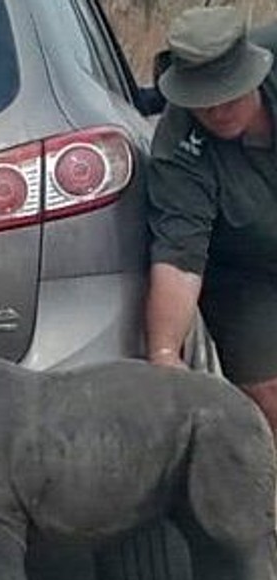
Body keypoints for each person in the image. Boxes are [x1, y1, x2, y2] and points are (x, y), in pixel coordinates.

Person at [146, 6, 277, 435]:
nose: (218, 112)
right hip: (244, 271)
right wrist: (165, 352)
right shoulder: (177, 148)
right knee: (267, 392)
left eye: (229, 96)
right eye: (204, 103)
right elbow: (179, 257)